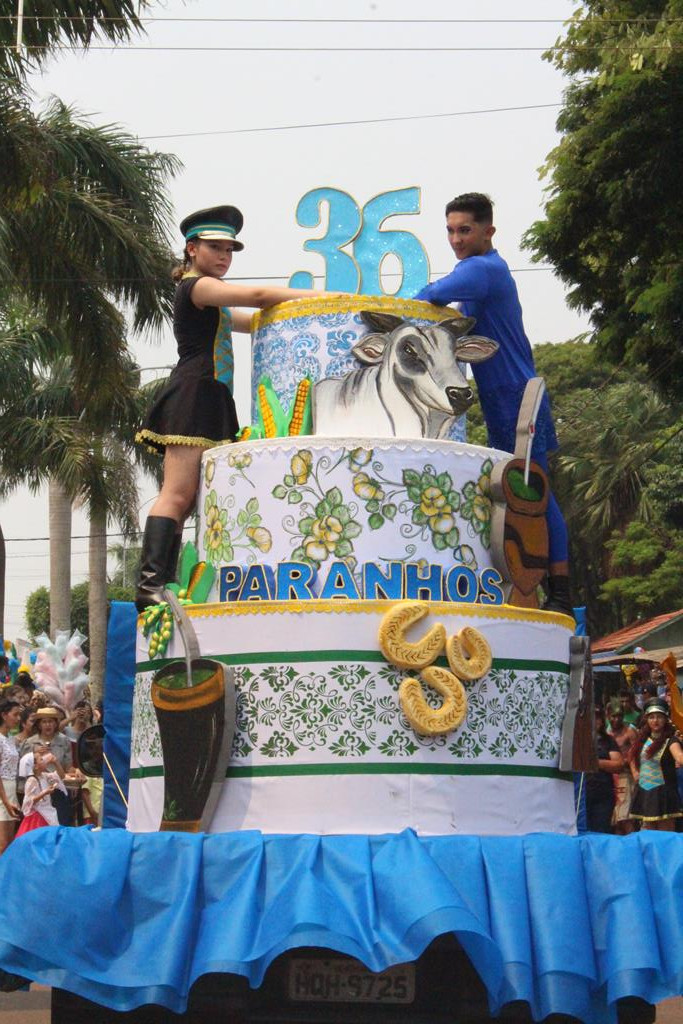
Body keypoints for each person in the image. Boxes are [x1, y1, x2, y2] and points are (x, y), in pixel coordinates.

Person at [134, 204, 329, 612]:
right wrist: (326, 297)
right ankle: (149, 585)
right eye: (215, 247)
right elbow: (259, 295)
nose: (224, 256)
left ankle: (162, 583)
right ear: (191, 249)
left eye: (229, 249)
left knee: (189, 499)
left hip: (212, 395)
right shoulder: (197, 287)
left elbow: (256, 316)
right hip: (195, 392)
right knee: (177, 493)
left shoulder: (211, 296)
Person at [414, 192, 571, 615]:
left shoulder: (482, 269)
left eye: (464, 230)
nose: (456, 239)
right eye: (449, 230)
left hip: (519, 397)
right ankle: (537, 588)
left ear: (489, 231)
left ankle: (561, 590)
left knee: (537, 492)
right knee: (521, 492)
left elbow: (429, 294)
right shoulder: (478, 272)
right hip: (503, 398)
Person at [629, 698, 683, 831]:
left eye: (659, 717)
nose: (655, 721)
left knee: (665, 835)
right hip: (645, 792)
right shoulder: (642, 739)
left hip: (663, 793)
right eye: (652, 717)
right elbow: (630, 756)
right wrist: (635, 772)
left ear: (666, 719)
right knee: (647, 833)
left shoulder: (671, 740)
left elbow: (679, 757)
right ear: (647, 720)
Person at [20, 706, 72, 825]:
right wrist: (34, 752)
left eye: (51, 721)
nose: (48, 725)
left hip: (57, 787)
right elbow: (23, 767)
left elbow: (68, 767)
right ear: (39, 724)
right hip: (38, 789)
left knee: (61, 822)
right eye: (44, 721)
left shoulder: (64, 741)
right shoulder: (30, 742)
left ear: (56, 723)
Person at [584, 705, 623, 833]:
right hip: (582, 793)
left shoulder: (608, 740)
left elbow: (618, 765)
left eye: (597, 719)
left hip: (603, 793)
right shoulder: (578, 740)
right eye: (591, 718)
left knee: (601, 830)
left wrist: (595, 763)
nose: (594, 722)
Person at [15, 747, 65, 835]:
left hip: (47, 812)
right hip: (38, 816)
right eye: (41, 759)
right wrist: (44, 792)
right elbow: (29, 800)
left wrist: (56, 762)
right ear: (36, 766)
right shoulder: (32, 780)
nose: (45, 760)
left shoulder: (44, 776)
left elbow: (61, 776)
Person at [606, 699, 638, 835]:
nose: (617, 719)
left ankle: (631, 843)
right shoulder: (606, 732)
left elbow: (636, 753)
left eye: (619, 716)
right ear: (608, 716)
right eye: (613, 716)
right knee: (615, 818)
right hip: (610, 776)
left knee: (625, 816)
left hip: (626, 775)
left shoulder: (629, 731)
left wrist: (634, 771)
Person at [0, 700, 21, 852]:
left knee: (9, 842)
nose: (18, 718)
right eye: (15, 715)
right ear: (4, 715)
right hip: (3, 791)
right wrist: (5, 801)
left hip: (11, 788)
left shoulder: (11, 739)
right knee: (2, 842)